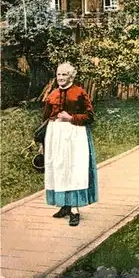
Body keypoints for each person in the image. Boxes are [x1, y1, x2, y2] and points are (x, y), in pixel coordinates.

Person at [42, 62, 98, 227]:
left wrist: (71, 118)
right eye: (58, 75)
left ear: (71, 76)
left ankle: (75, 210)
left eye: (64, 75)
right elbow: (45, 117)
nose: (60, 78)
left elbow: (90, 116)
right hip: (55, 135)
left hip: (75, 135)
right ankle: (64, 205)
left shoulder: (79, 92)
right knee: (59, 168)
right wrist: (43, 141)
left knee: (74, 169)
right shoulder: (52, 94)